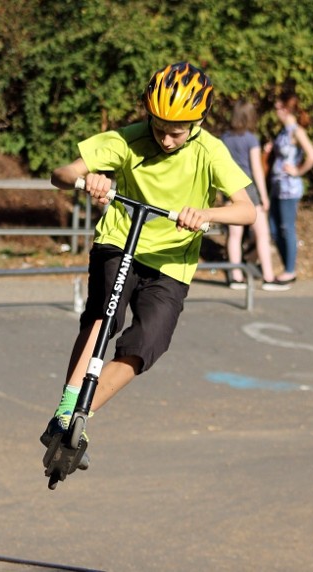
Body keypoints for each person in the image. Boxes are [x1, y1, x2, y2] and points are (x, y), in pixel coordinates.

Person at [43, 62, 256, 468]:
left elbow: (248, 212)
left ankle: (77, 419)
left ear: (198, 122)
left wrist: (205, 214)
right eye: (159, 127)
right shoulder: (129, 139)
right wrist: (90, 180)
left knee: (147, 344)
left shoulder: (210, 151)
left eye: (177, 131)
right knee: (104, 317)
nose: (167, 139)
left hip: (173, 261)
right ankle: (66, 409)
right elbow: (62, 172)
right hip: (121, 241)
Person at [220, 100, 288, 292]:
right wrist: (264, 196)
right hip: (248, 189)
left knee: (234, 236)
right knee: (262, 234)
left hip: (229, 189)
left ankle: (236, 277)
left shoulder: (224, 138)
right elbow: (257, 169)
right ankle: (268, 277)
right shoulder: (251, 139)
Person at [264, 90, 313, 287]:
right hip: (277, 186)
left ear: (286, 109)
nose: (276, 111)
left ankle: (289, 270)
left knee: (287, 228)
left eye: (278, 107)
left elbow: (312, 155)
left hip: (289, 188)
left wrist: (297, 170)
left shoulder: (297, 131)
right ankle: (286, 267)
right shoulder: (283, 131)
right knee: (273, 227)